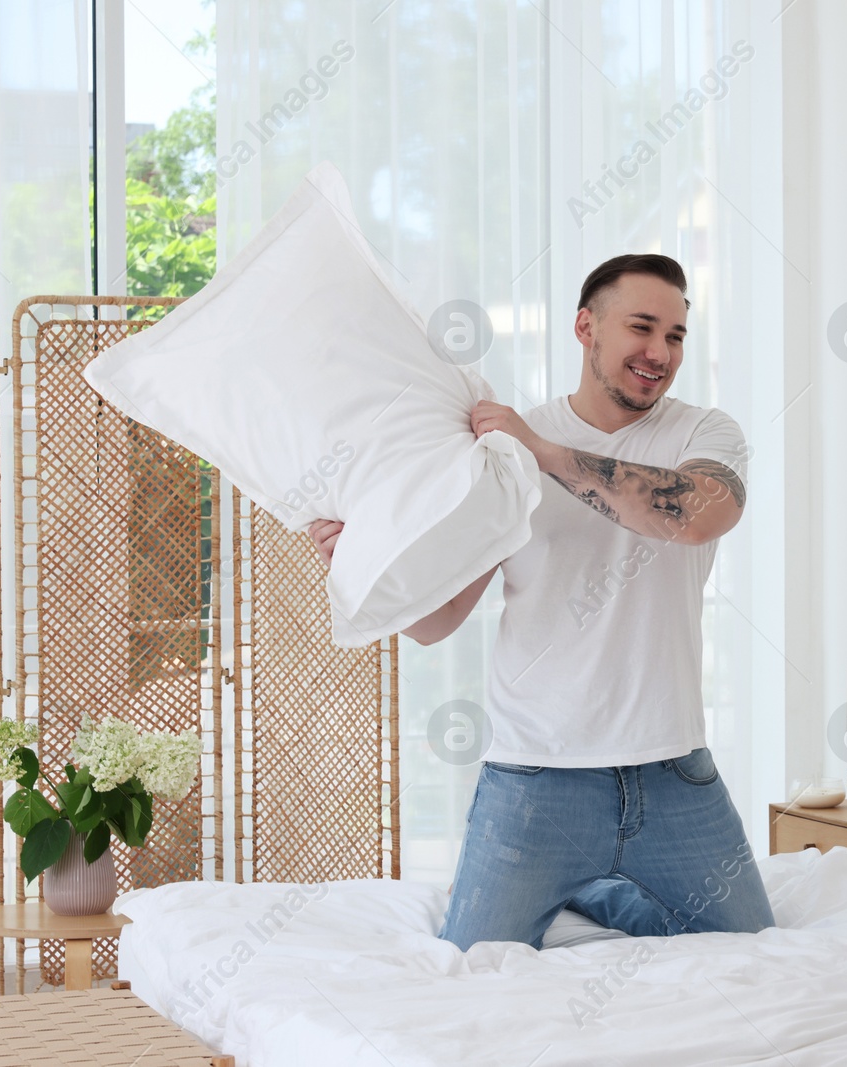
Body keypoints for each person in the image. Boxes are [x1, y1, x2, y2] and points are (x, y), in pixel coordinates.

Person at [310, 253, 774, 951]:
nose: (660, 352)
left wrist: (547, 455)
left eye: (676, 335)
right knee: (470, 963)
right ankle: (586, 875)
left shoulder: (703, 433)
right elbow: (437, 623)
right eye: (642, 327)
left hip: (674, 770)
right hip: (534, 777)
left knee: (758, 949)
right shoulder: (502, 455)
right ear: (586, 326)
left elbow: (696, 513)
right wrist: (360, 562)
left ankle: (603, 888)